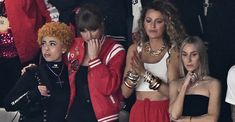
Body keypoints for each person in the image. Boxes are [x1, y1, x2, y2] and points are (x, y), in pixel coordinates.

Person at [121, 1, 187, 122]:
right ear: (143, 23)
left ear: (167, 24)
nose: (153, 26)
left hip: (162, 111)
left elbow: (174, 94)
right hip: (138, 111)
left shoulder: (173, 51)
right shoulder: (135, 49)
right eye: (148, 20)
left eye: (159, 21)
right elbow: (125, 93)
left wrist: (145, 74)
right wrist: (135, 73)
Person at [65, 4, 126, 122]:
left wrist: (95, 59)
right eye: (83, 31)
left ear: (102, 26)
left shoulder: (115, 49)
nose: (89, 36)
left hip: (103, 116)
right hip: (75, 113)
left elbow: (109, 88)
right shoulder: (74, 45)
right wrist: (34, 70)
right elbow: (58, 68)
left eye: (93, 29)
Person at [4, 22, 74, 122]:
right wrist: (35, 93)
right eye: (43, 43)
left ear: (64, 48)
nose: (46, 48)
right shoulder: (33, 72)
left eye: (52, 44)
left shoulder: (70, 73)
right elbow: (8, 104)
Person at [0, 0, 51, 108]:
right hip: (2, 62)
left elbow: (48, 12)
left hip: (27, 55)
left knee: (28, 102)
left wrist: (49, 45)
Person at [169, 36, 221, 122]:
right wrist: (185, 86)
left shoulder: (213, 84)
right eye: (185, 55)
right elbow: (174, 115)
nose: (188, 60)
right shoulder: (175, 84)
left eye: (193, 54)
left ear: (201, 56)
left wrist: (186, 119)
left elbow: (212, 119)